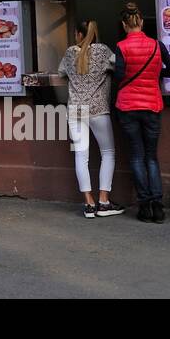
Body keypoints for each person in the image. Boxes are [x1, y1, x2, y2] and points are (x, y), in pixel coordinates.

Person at [112, 2, 170, 223]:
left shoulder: (121, 47)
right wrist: (154, 73)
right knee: (151, 157)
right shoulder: (157, 45)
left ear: (124, 24)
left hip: (128, 107)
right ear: (141, 21)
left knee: (136, 156)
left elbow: (119, 76)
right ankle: (158, 207)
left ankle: (144, 206)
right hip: (152, 105)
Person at [57, 19, 122, 218]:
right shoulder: (103, 51)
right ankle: (104, 201)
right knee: (108, 153)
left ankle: (89, 204)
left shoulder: (69, 53)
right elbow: (119, 66)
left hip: (76, 110)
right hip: (98, 109)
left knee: (80, 156)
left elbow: (60, 73)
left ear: (78, 34)